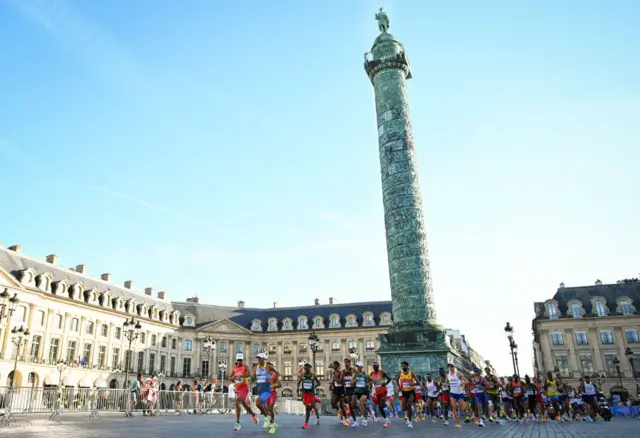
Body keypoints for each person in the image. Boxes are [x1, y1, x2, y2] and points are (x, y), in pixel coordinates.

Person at [229, 353, 258, 431]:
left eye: (240, 360)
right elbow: (229, 377)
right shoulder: (234, 368)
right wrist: (233, 377)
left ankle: (238, 423)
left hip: (244, 388)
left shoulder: (245, 366)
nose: (239, 362)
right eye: (238, 360)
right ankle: (253, 414)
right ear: (236, 360)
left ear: (242, 360)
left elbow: (248, 374)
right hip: (238, 388)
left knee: (237, 402)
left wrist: (242, 375)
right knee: (244, 404)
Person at [253, 353, 276, 431]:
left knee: (259, 403)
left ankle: (268, 418)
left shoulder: (269, 368)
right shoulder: (256, 367)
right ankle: (270, 420)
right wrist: (253, 376)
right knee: (262, 406)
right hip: (260, 390)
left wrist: (272, 380)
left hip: (268, 390)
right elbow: (253, 377)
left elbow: (277, 374)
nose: (259, 359)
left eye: (260, 358)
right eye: (258, 358)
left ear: (263, 359)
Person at [396, 360, 420, 428]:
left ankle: (410, 421)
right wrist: (399, 386)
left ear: (407, 366)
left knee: (409, 405)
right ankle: (408, 412)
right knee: (403, 408)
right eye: (402, 366)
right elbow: (397, 380)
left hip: (411, 391)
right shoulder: (400, 373)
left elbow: (418, 383)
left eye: (404, 366)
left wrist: (413, 384)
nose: (403, 367)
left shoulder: (411, 373)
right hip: (404, 392)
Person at [297, 362, 321, 429]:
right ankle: (315, 401)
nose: (305, 368)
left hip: (311, 393)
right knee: (309, 406)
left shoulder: (313, 375)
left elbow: (319, 383)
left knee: (308, 409)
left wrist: (314, 386)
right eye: (304, 367)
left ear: (310, 368)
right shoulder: (302, 375)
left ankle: (306, 423)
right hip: (305, 394)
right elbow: (298, 382)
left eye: (307, 367)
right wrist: (297, 389)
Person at [370, 362, 392, 427]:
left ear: (378, 366)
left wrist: (385, 383)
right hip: (377, 391)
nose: (374, 367)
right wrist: (370, 386)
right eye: (373, 366)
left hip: (383, 390)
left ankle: (386, 404)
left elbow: (389, 378)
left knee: (381, 405)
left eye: (375, 366)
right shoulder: (372, 374)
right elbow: (370, 381)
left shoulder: (381, 372)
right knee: (380, 407)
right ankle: (387, 420)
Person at [447, 362, 467, 429]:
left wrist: (463, 384)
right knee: (454, 407)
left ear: (454, 367)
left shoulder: (458, 373)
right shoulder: (448, 375)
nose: (450, 367)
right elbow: (447, 383)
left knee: (461, 409)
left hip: (459, 393)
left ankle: (466, 412)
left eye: (451, 366)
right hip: (452, 393)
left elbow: (466, 381)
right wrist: (446, 384)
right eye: (449, 366)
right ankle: (458, 422)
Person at [266, 362, 281, 434]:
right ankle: (270, 421)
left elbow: (280, 385)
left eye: (269, 367)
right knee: (267, 409)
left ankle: (272, 422)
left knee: (270, 408)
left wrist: (274, 386)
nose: (268, 369)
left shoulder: (274, 376)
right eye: (267, 367)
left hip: (272, 394)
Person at [342, 358, 357, 425]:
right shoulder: (343, 371)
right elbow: (341, 379)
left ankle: (360, 406)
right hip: (347, 389)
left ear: (349, 363)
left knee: (353, 405)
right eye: (345, 362)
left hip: (353, 388)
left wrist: (352, 380)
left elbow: (354, 375)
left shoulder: (352, 369)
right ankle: (355, 421)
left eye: (347, 362)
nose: (346, 364)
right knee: (350, 406)